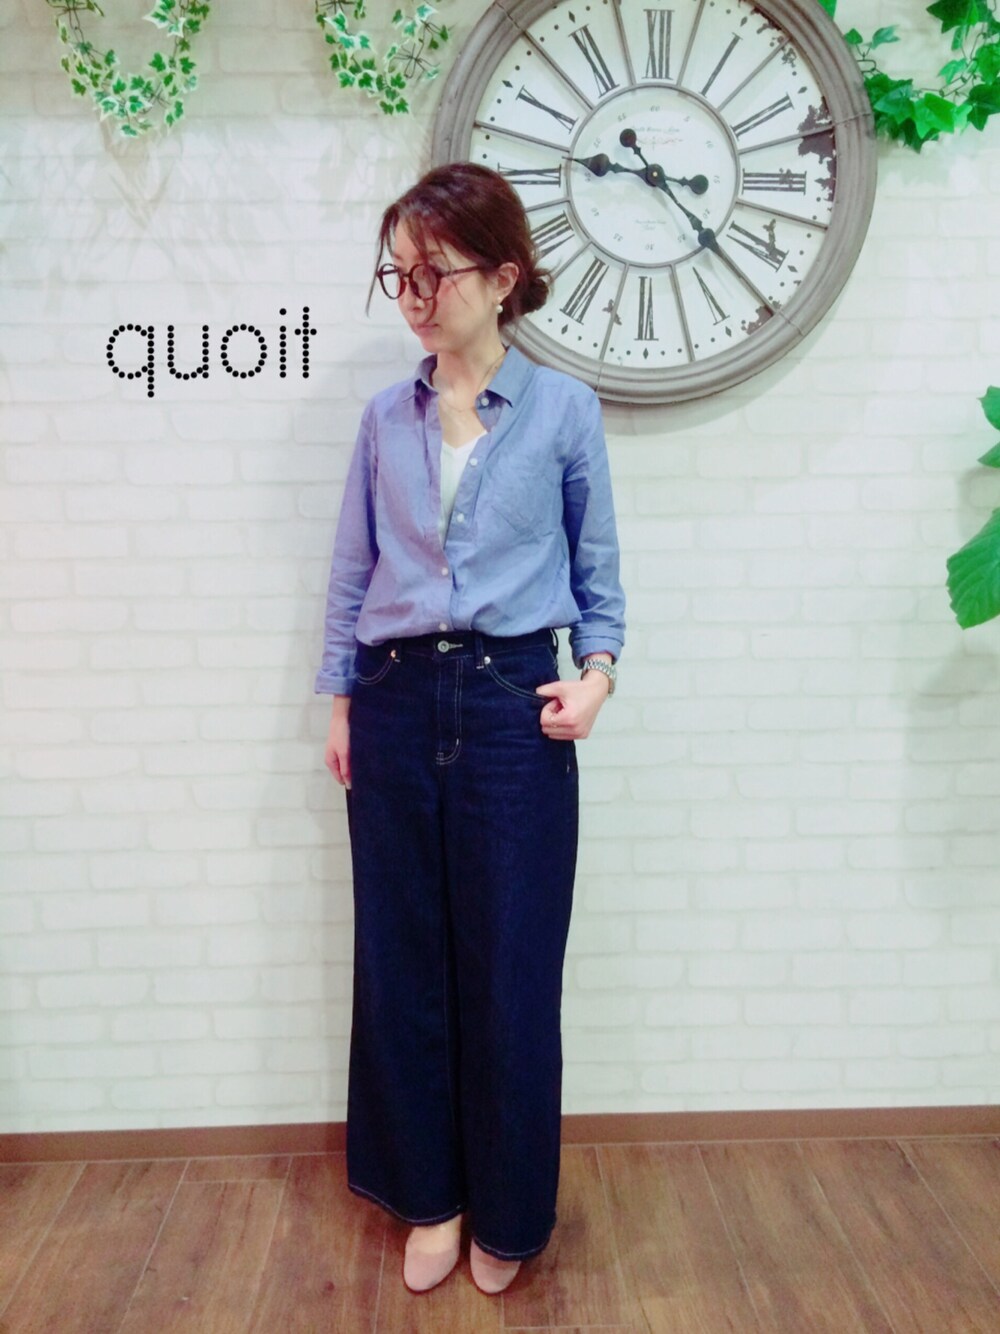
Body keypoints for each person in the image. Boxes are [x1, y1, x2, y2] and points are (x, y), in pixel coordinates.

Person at [315, 162, 625, 1295]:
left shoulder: (563, 411)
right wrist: (342, 702)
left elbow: (598, 573)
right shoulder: (381, 420)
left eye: (433, 272)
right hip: (395, 701)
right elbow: (353, 573)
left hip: (511, 708)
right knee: (403, 963)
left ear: (501, 277)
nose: (413, 295)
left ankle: (508, 1208)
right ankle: (430, 1199)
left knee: (510, 967)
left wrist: (596, 677)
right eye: (397, 274)